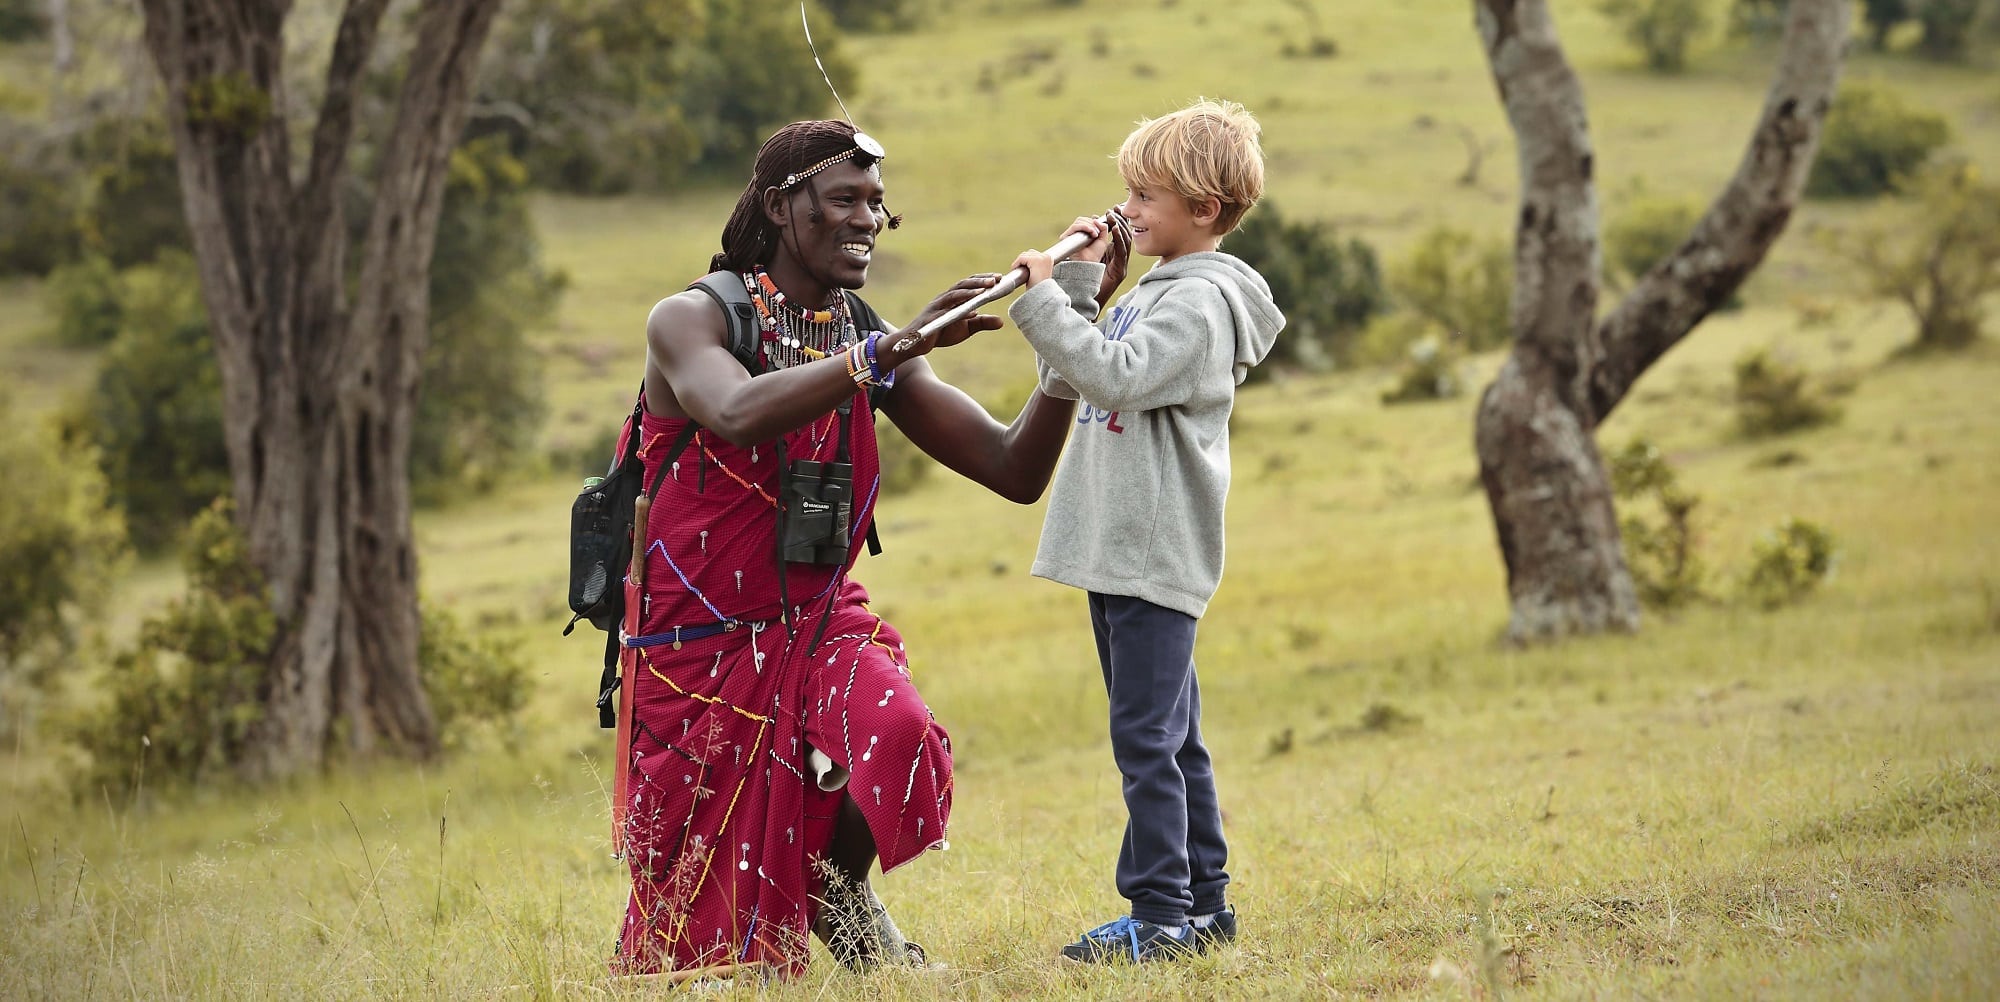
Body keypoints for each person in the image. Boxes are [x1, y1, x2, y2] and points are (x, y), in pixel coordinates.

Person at [608, 119, 1098, 979]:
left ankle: (838, 889)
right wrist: (891, 348)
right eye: (843, 200)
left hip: (817, 608)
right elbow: (734, 411)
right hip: (700, 629)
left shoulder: (860, 331)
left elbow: (1013, 468)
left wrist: (1070, 329)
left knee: (900, 730)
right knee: (700, 887)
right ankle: (737, 953)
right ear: (779, 207)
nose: (866, 219)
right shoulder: (689, 318)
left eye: (877, 204)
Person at [1005, 98, 1284, 963]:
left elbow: (1116, 379)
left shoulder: (1200, 306)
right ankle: (1204, 908)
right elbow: (1069, 373)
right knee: (1172, 736)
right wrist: (1079, 286)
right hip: (1117, 550)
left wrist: (1047, 294)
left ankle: (1161, 919)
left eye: (1147, 194)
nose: (1128, 208)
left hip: (1151, 553)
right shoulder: (1161, 294)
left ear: (1204, 209)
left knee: (1147, 743)